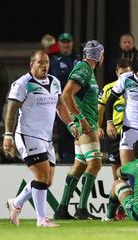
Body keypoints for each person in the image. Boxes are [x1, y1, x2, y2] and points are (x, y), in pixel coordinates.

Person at [5, 50, 78, 227]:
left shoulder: (54, 82)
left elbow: (60, 106)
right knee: (42, 176)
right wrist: (8, 135)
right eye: (40, 62)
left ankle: (15, 203)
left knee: (47, 181)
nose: (44, 65)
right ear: (32, 64)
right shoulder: (23, 83)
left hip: (46, 139)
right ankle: (41, 219)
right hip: (28, 135)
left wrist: (70, 124)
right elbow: (11, 111)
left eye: (46, 62)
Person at [54, 40, 105, 220]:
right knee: (96, 163)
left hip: (87, 122)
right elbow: (66, 94)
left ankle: (61, 209)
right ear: (99, 55)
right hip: (86, 123)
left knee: (81, 164)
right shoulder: (84, 68)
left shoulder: (87, 71)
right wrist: (80, 119)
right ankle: (82, 209)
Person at [98, 59, 131, 221]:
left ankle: (129, 205)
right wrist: (99, 126)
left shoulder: (134, 86)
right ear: (116, 73)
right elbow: (101, 109)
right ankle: (118, 208)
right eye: (122, 73)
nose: (125, 76)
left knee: (130, 172)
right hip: (114, 134)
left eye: (127, 72)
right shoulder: (108, 89)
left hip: (132, 134)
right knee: (117, 174)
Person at [49, 32, 80, 163]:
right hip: (60, 102)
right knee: (63, 131)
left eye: (68, 42)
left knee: (78, 131)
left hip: (77, 102)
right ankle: (64, 158)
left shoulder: (78, 58)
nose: (66, 45)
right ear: (59, 44)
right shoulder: (53, 59)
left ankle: (79, 158)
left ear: (72, 44)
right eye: (63, 42)